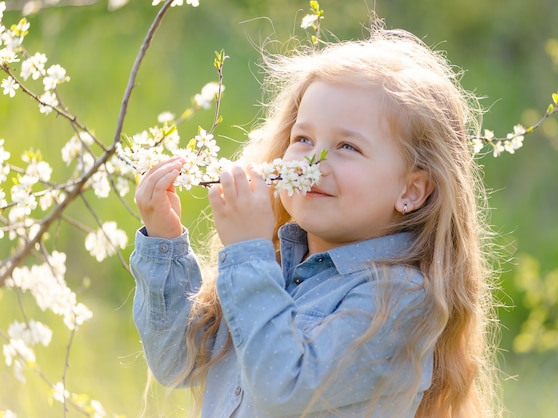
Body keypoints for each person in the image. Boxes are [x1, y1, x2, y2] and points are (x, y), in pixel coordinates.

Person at [130, 17, 500, 418]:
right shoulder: (273, 267)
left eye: (347, 147)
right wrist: (163, 239)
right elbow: (174, 363)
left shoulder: (398, 299)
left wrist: (247, 255)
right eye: (303, 139)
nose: (315, 161)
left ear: (410, 191)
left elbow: (285, 390)